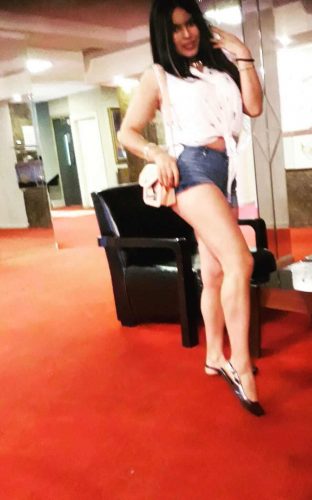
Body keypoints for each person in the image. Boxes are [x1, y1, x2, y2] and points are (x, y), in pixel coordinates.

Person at [117, 0, 264, 416]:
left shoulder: (218, 68)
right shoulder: (158, 76)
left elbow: (253, 107)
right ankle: (241, 365)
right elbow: (127, 132)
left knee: (215, 271)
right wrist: (156, 152)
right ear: (164, 35)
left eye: (190, 24)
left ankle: (214, 355)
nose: (186, 34)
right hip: (190, 169)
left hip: (225, 171)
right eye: (176, 28)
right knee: (240, 262)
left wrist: (242, 53)